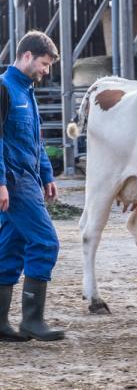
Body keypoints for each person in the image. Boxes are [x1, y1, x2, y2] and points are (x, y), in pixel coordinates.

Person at [0, 30, 64, 342]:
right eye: (43, 63)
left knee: (10, 247)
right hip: (14, 181)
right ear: (26, 56)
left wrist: (48, 175)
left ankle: (0, 325)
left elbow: (35, 141)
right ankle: (32, 321)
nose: (46, 70)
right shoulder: (4, 89)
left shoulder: (27, 90)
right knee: (46, 242)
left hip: (28, 178)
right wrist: (0, 183)